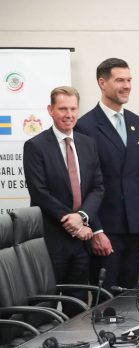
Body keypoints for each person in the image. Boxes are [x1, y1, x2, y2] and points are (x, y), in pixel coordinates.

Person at [75, 58, 139, 289]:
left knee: (131, 300)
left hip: (135, 229)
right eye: (120, 80)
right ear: (102, 83)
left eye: (129, 80)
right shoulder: (85, 126)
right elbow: (85, 185)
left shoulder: (137, 123)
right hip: (105, 231)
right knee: (107, 302)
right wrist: (96, 230)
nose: (127, 85)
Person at [23, 86, 104, 291]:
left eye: (73, 109)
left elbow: (97, 187)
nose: (69, 115)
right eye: (62, 109)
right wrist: (74, 223)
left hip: (82, 243)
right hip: (52, 240)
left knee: (76, 305)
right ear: (51, 110)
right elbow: (39, 192)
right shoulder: (35, 146)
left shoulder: (88, 144)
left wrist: (83, 216)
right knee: (47, 306)